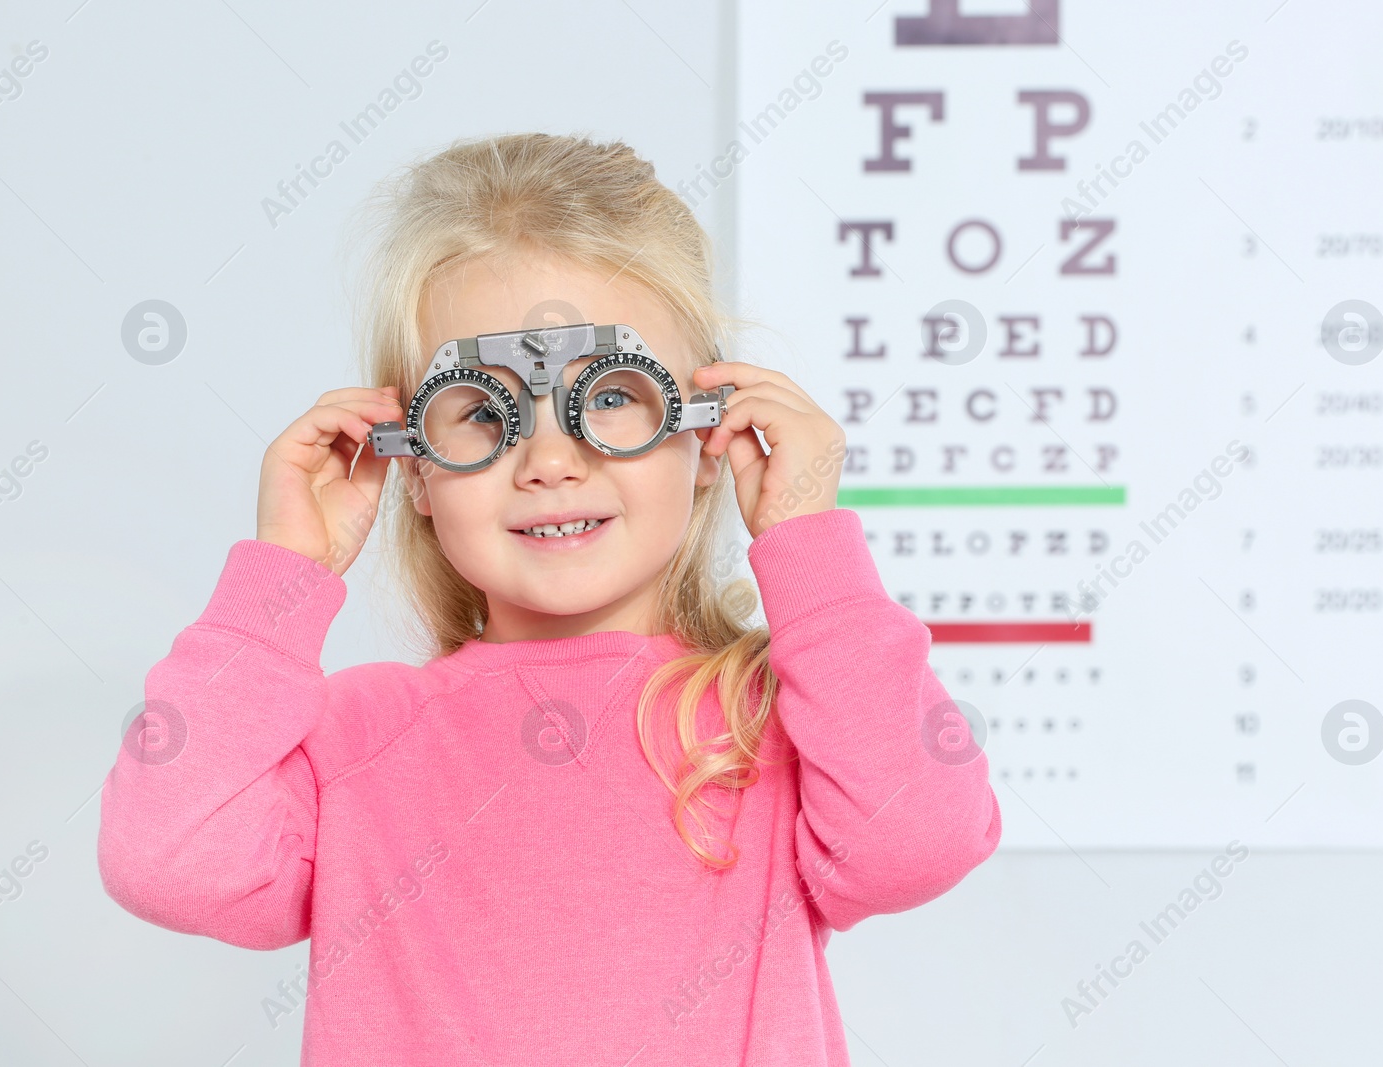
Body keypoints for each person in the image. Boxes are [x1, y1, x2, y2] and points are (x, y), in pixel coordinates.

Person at [97, 131, 1000, 1065]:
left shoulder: (774, 721)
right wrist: (285, 573)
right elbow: (168, 862)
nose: (553, 461)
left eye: (609, 397)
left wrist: (807, 541)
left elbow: (919, 839)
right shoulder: (358, 740)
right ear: (411, 465)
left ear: (706, 430)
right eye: (485, 413)